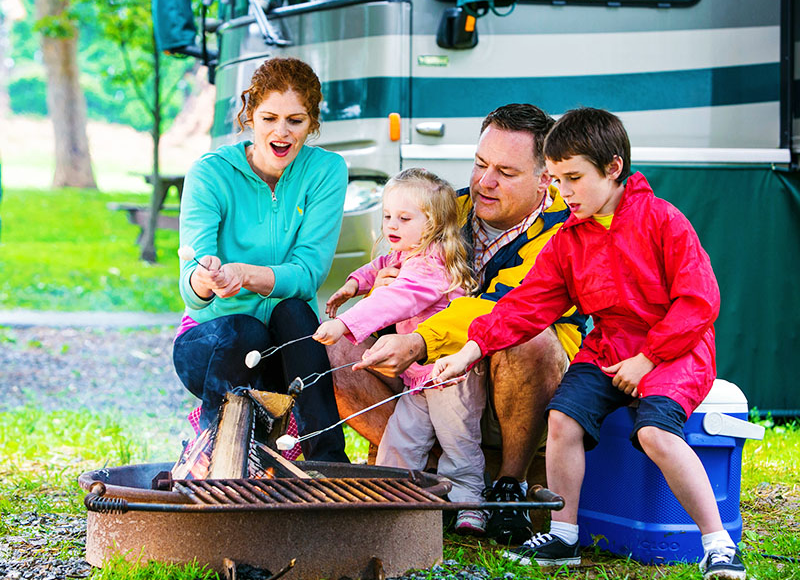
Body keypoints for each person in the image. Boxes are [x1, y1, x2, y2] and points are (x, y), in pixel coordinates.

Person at [432, 108, 745, 579]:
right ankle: (564, 535)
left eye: (574, 178)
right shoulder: (569, 240)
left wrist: (649, 358)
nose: (563, 192)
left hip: (678, 348)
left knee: (655, 433)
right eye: (556, 179)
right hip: (610, 347)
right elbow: (526, 305)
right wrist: (471, 349)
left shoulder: (663, 220)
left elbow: (700, 302)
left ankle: (717, 544)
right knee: (562, 419)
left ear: (613, 168)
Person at [328, 104, 586, 543]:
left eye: (505, 172)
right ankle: (424, 475)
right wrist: (382, 288)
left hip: (520, 385)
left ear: (545, 178)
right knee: (340, 346)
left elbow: (501, 309)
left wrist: (419, 342)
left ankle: (508, 487)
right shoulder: (448, 210)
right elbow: (398, 267)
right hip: (432, 384)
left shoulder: (563, 231)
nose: (485, 181)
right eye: (481, 164)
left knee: (527, 339)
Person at [173, 57, 349, 463]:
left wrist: (245, 274)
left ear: (312, 124)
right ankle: (219, 456)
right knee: (246, 330)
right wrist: (207, 279)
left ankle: (330, 464)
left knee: (294, 311)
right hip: (211, 344)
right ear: (249, 115)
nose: (281, 132)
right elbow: (191, 283)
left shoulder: (326, 171)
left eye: (296, 121)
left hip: (284, 353)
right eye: (269, 117)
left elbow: (308, 274)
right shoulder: (210, 174)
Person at [314, 167, 488, 531]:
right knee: (401, 436)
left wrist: (347, 323)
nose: (392, 224)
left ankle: (470, 502)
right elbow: (379, 266)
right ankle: (391, 493)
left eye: (404, 218)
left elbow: (397, 299)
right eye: (388, 215)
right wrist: (354, 284)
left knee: (459, 442)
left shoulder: (432, 264)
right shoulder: (406, 251)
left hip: (451, 376)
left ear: (434, 224)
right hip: (419, 379)